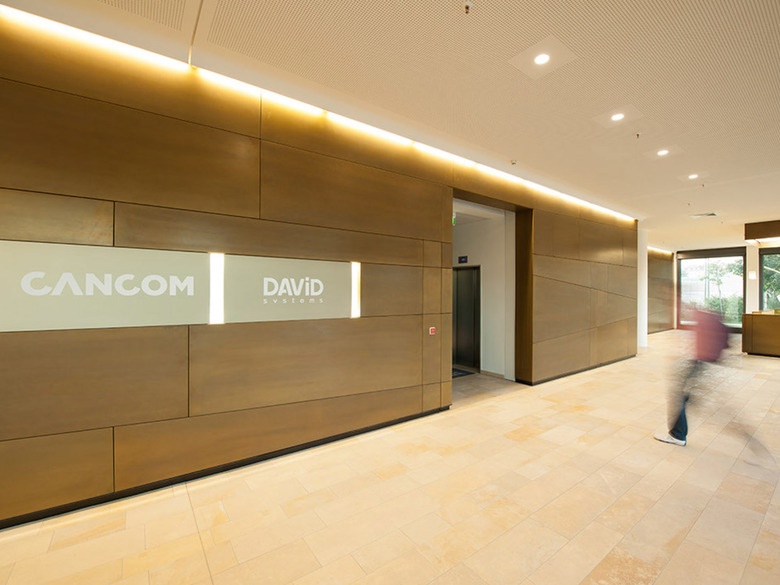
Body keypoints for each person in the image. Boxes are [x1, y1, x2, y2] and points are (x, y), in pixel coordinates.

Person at [654, 309, 729, 446]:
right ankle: (679, 432)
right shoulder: (715, 324)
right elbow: (725, 345)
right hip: (704, 364)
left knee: (678, 396)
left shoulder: (705, 322)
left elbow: (704, 347)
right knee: (682, 395)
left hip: (700, 363)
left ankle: (678, 435)